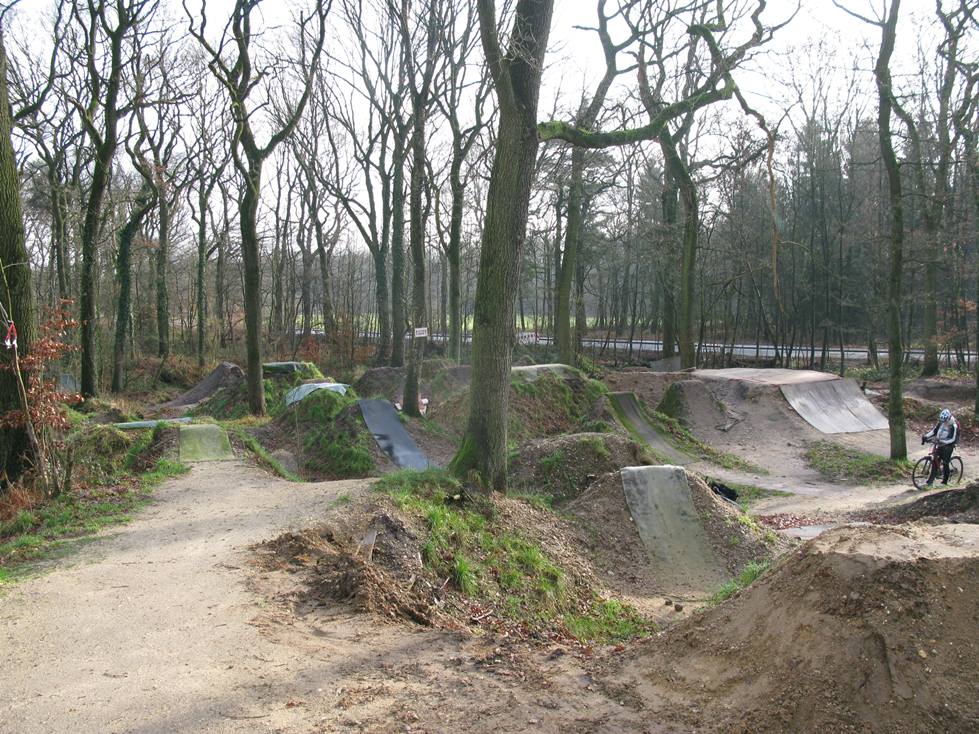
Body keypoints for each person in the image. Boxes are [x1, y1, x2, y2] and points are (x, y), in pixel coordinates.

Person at [922, 408, 959, 485]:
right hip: (940, 443)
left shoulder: (953, 425)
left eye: (945, 421)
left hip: (949, 445)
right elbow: (934, 431)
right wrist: (926, 436)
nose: (943, 422)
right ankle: (930, 482)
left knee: (945, 463)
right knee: (935, 461)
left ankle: (945, 481)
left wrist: (944, 442)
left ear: (948, 418)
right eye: (942, 421)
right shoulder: (941, 422)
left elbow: (953, 439)